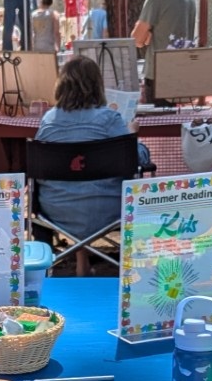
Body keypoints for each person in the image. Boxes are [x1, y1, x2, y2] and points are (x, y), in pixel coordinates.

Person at [33, 56, 152, 257]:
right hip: (107, 210)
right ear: (97, 85)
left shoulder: (48, 121)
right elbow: (139, 160)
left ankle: (46, 269)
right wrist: (132, 136)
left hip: (56, 211)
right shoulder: (109, 120)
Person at [131, 0, 198, 99]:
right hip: (183, 68)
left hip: (158, 73)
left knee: (157, 121)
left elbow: (137, 38)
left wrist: (146, 37)